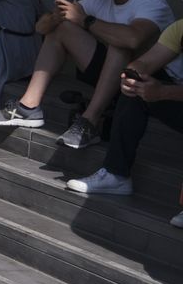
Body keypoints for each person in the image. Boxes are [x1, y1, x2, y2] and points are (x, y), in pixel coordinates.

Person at [0, 0, 174, 149]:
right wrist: (57, 16)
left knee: (120, 44)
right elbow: (40, 28)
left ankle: (89, 122)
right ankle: (28, 106)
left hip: (156, 81)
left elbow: (133, 38)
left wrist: (85, 20)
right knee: (63, 28)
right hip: (116, 79)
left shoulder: (151, 2)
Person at [65, 17, 183, 211]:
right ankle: (116, 174)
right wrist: (133, 74)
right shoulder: (180, 28)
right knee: (135, 88)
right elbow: (146, 61)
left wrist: (163, 92)